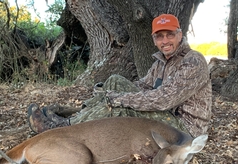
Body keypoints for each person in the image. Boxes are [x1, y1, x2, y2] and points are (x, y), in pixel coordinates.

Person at [28, 14, 212, 137]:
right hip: (166, 114)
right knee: (115, 81)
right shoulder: (160, 62)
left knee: (119, 109)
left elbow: (164, 100)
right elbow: (143, 86)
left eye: (169, 35)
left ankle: (63, 128)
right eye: (159, 36)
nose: (165, 41)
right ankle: (77, 116)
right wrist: (106, 93)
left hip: (185, 129)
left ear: (179, 35)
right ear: (154, 39)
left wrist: (120, 100)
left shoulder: (192, 61)